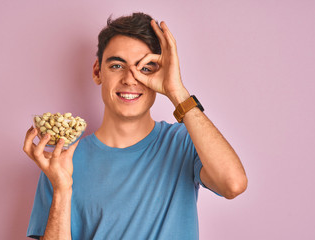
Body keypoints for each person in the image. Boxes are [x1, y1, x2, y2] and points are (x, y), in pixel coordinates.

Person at [23, 12, 247, 240]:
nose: (130, 79)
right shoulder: (63, 159)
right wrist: (61, 189)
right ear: (97, 71)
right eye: (117, 65)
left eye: (146, 68)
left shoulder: (183, 142)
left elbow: (233, 184)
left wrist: (177, 90)